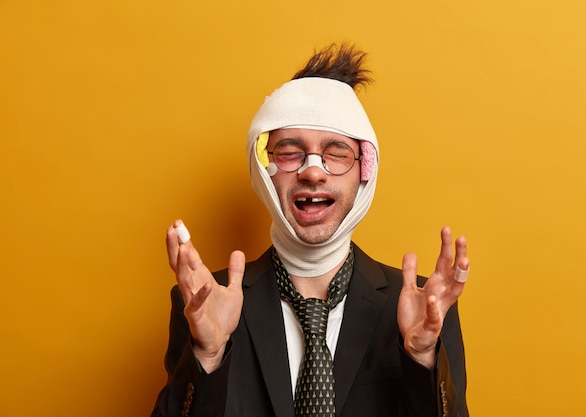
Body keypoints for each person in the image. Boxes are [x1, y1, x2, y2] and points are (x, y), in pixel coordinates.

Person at [151, 43, 470, 417]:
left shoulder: (423, 307)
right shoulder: (206, 305)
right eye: (289, 152)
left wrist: (421, 358)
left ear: (364, 170)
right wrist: (208, 356)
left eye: (336, 153)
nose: (313, 171)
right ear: (264, 170)